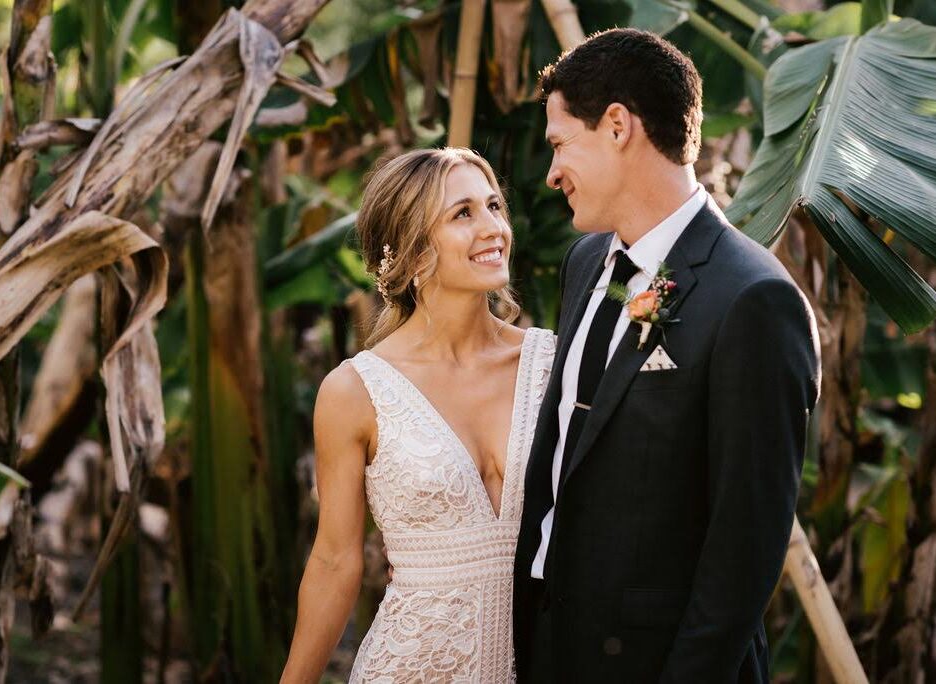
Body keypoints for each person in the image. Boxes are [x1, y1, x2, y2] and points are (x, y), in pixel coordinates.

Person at [512, 28, 821, 683]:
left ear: (618, 126)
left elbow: (745, 548)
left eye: (561, 143)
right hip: (549, 646)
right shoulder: (588, 263)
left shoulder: (753, 300)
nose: (551, 172)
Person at [279, 147, 555, 683]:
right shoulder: (354, 391)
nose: (493, 227)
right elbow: (336, 562)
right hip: (410, 666)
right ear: (411, 252)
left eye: (494, 206)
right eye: (463, 214)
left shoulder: (553, 364)